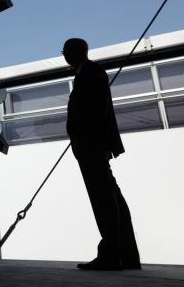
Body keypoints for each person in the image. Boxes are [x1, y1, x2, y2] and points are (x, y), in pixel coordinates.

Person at [62, 38, 140, 271]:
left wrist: (82, 139)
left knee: (103, 200)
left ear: (74, 53)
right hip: (93, 145)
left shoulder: (91, 73)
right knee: (111, 198)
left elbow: (94, 111)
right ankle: (126, 255)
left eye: (66, 51)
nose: (65, 55)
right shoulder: (89, 73)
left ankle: (111, 255)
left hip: (91, 146)